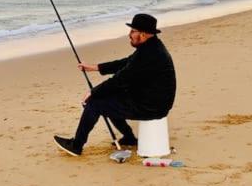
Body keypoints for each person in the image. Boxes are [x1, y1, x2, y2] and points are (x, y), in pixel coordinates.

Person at [54, 13, 176, 156]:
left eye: (132, 31)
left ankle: (76, 146)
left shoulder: (149, 54)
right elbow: (126, 63)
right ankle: (129, 138)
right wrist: (95, 67)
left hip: (152, 106)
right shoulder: (152, 47)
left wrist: (93, 92)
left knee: (94, 102)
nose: (129, 34)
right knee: (108, 95)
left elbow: (121, 79)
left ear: (142, 34)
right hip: (152, 99)